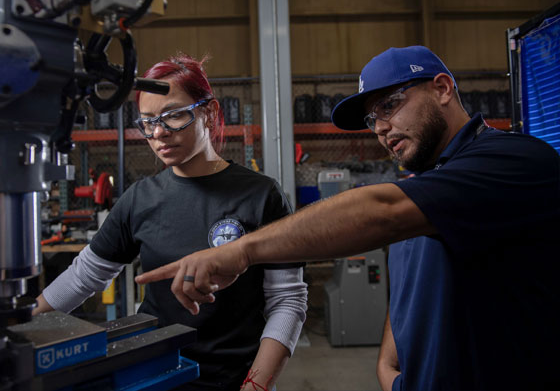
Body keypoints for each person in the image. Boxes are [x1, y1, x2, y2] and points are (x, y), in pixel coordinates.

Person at [136, 46, 560, 391]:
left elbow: (381, 212)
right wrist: (388, 365)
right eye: (373, 118)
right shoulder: (427, 183)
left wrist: (243, 251)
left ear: (443, 88)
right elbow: (413, 279)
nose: (381, 128)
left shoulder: (514, 162)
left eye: (391, 105)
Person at [33, 54, 308, 391]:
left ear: (209, 112)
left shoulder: (261, 195)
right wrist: (25, 324)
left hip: (235, 376)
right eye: (148, 121)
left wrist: (257, 385)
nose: (159, 132)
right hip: (156, 373)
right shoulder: (140, 198)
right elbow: (85, 275)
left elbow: (288, 301)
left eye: (174, 115)